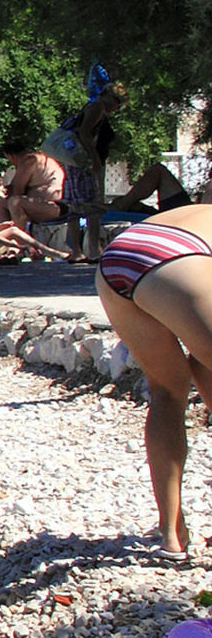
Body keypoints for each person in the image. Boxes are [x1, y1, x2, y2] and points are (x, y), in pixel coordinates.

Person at [93, 203, 212, 559]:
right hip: (178, 258)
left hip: (120, 256)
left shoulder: (199, 211)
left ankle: (171, 534)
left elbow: (200, 359)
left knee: (167, 392)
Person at [58, 80, 131, 263]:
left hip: (75, 162)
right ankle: (93, 250)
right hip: (85, 163)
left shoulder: (91, 107)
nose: (117, 108)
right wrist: (95, 159)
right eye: (118, 103)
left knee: (76, 208)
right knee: (92, 207)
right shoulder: (97, 108)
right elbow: (85, 133)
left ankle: (78, 251)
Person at [3, 145, 66, 232]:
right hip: (52, 205)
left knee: (14, 202)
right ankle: (5, 235)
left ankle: (19, 239)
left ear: (11, 156)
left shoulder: (28, 160)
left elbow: (17, 191)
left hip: (55, 207)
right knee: (3, 199)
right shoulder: (40, 158)